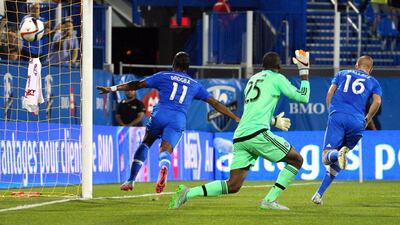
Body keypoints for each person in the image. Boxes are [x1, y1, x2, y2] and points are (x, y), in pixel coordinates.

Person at [169, 50, 311, 210]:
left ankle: (187, 193)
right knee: (296, 160)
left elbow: (254, 111)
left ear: (263, 67)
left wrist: (273, 120)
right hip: (258, 134)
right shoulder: (276, 78)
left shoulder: (252, 80)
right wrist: (304, 70)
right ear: (278, 66)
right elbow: (303, 97)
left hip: (241, 136)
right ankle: (269, 201)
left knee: (233, 185)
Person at [97, 52, 243, 194]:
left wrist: (112, 88)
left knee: (146, 143)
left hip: (160, 114)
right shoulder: (195, 85)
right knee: (165, 150)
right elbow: (215, 103)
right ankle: (164, 167)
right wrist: (235, 118)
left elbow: (137, 84)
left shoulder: (164, 76)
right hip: (177, 119)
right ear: (188, 67)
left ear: (174, 64)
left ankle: (130, 180)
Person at [311, 55, 382, 205]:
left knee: (326, 157)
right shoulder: (373, 81)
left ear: (357, 65)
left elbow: (330, 93)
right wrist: (368, 118)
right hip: (357, 122)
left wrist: (332, 110)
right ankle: (319, 194)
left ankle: (337, 153)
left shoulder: (342, 74)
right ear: (371, 69)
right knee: (337, 162)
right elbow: (377, 101)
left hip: (339, 116)